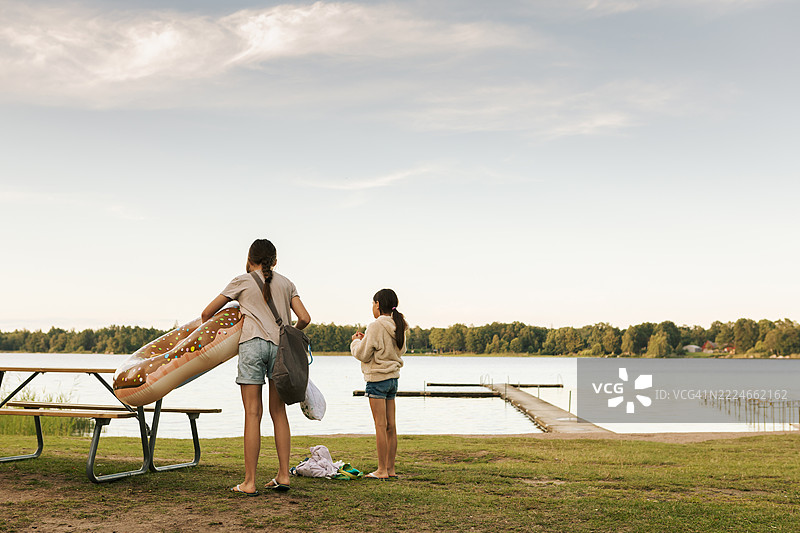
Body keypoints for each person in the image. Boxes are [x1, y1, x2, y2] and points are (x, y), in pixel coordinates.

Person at [202, 238, 310, 495]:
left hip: (252, 345)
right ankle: (284, 475)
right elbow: (305, 318)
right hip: (279, 349)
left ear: (249, 258)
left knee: (253, 414)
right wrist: (288, 333)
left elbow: (207, 313)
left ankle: (249, 482)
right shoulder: (287, 283)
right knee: (278, 413)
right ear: (275, 261)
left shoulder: (241, 280)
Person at [350, 288, 408, 480]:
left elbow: (362, 354)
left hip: (377, 380)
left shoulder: (375, 326)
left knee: (380, 425)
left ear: (377, 304)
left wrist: (356, 342)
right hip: (392, 380)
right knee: (391, 426)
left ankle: (381, 470)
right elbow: (401, 350)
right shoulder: (399, 324)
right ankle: (390, 469)